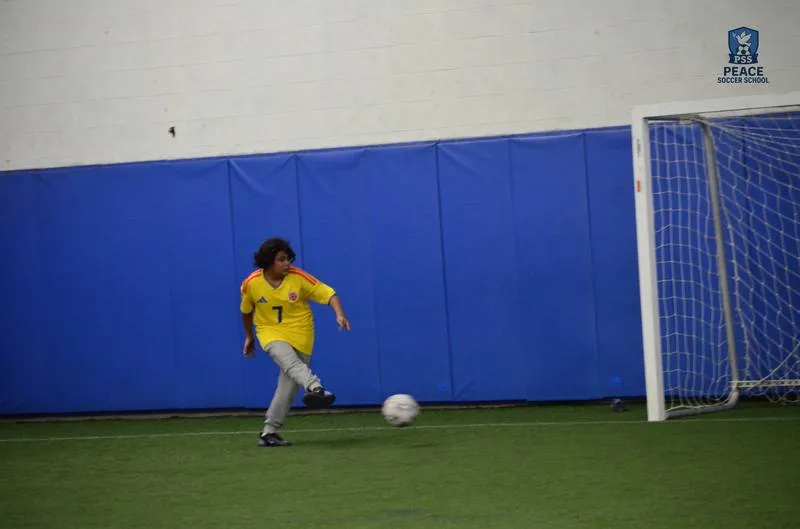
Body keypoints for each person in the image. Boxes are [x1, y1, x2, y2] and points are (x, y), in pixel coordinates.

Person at [240, 237, 351, 447]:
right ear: (268, 261)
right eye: (281, 259)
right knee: (287, 360)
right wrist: (249, 336)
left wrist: (339, 314)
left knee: (287, 389)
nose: (287, 263)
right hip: (270, 332)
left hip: (302, 334)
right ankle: (316, 387)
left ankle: (268, 432)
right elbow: (246, 311)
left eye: (288, 259)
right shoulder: (251, 283)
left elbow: (329, 294)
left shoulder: (299, 278)